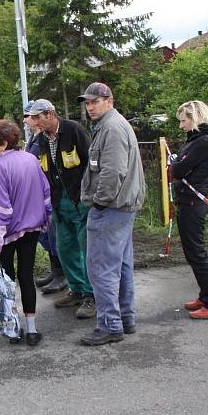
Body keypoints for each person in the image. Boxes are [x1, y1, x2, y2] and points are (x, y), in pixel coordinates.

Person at [77, 82, 146, 345]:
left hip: (111, 208)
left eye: (95, 101)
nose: (90, 106)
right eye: (87, 102)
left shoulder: (112, 128)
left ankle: (110, 325)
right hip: (120, 207)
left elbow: (112, 171)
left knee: (101, 268)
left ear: (109, 101)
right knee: (121, 266)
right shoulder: (109, 125)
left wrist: (99, 202)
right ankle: (125, 320)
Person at [0, 119, 52, 346]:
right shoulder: (31, 160)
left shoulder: (0, 168)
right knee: (26, 276)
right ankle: (32, 330)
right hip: (32, 228)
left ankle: (13, 329)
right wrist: (47, 218)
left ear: (3, 143)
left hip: (7, 234)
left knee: (7, 280)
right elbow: (45, 192)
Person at [28, 99, 95, 319]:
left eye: (37, 117)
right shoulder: (43, 140)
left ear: (50, 114)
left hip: (80, 201)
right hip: (58, 203)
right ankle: (75, 289)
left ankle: (90, 295)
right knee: (65, 248)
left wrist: (89, 196)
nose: (33, 121)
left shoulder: (73, 130)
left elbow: (90, 163)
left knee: (86, 250)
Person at [170, 100, 208, 319]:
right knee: (193, 253)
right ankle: (206, 295)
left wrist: (175, 165)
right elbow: (181, 165)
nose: (181, 125)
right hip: (188, 201)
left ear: (196, 119)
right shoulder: (196, 140)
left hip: (193, 203)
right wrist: (178, 164)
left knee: (197, 253)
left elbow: (179, 169)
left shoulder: (204, 142)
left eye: (183, 121)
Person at [23, 100, 68, 294]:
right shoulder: (35, 138)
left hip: (50, 193)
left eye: (31, 117)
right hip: (41, 193)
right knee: (47, 234)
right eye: (27, 116)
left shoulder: (45, 137)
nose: (26, 120)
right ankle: (56, 271)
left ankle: (62, 274)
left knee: (54, 234)